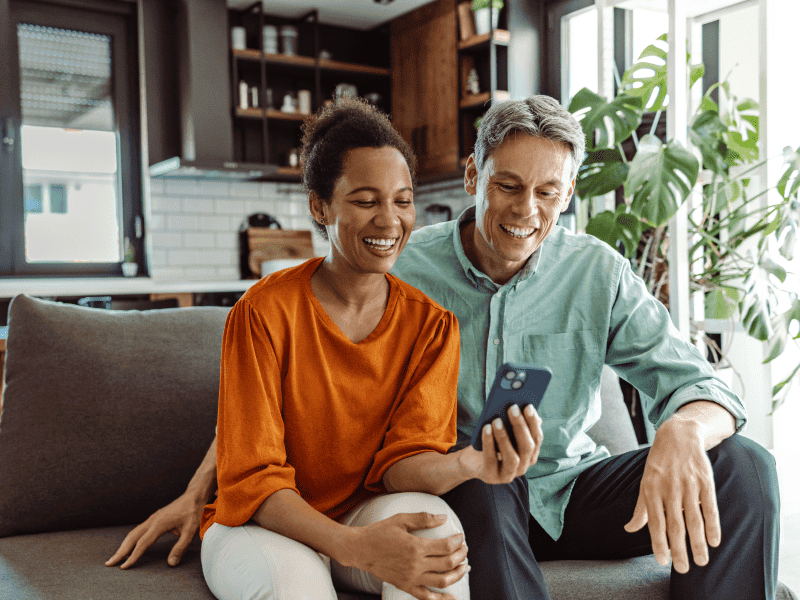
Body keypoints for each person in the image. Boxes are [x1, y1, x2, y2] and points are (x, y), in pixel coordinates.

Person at [108, 95, 780, 600]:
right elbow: (274, 390)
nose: (526, 210)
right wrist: (200, 491)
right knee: (483, 492)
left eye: (548, 192)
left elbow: (702, 383)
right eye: (508, 185)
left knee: (744, 468)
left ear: (569, 194)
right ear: (471, 176)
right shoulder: (394, 264)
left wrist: (685, 432)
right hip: (465, 487)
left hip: (572, 488)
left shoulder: (597, 272)